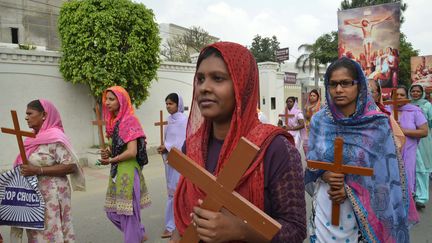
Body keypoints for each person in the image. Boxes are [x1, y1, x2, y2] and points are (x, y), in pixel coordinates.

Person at [170, 42, 306, 243]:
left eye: (218, 78)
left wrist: (242, 230)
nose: (204, 88)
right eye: (200, 79)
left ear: (241, 85)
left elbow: (296, 230)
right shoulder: (192, 147)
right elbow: (186, 215)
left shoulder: (275, 148)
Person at [305, 58, 418, 243]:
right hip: (326, 204)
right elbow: (312, 162)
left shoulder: (377, 124)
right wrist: (325, 174)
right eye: (333, 84)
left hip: (364, 212)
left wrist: (350, 190)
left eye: (346, 83)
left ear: (359, 85)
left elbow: (386, 176)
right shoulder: (320, 121)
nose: (339, 90)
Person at [10, 99, 85, 242]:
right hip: (33, 195)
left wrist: (38, 170)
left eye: (30, 113)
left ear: (44, 114)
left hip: (53, 195)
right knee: (36, 232)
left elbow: (71, 166)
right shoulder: (32, 139)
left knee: (52, 231)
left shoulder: (55, 137)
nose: (26, 117)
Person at [99, 86, 151, 243]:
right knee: (112, 212)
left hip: (127, 172)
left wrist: (111, 160)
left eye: (111, 99)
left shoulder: (129, 120)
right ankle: (139, 233)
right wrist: (108, 152)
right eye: (106, 99)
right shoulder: (114, 122)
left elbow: (131, 152)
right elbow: (116, 147)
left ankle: (136, 235)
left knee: (127, 215)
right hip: (116, 172)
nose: (107, 102)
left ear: (121, 101)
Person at [157, 93, 188, 238]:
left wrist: (167, 147)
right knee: (171, 192)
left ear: (178, 105)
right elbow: (168, 139)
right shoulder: (169, 120)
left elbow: (183, 141)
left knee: (179, 192)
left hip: (180, 161)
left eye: (171, 104)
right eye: (167, 104)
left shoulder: (184, 120)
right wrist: (164, 148)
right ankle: (171, 224)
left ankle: (175, 225)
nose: (168, 106)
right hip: (170, 161)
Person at [391, 85, 428, 196]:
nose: (399, 97)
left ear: (407, 97)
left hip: (408, 152)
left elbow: (424, 132)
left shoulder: (414, 111)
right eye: (396, 94)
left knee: (406, 181)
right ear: (391, 96)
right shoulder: (386, 110)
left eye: (402, 95)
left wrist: (402, 131)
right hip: (390, 152)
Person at [409, 84, 432, 209]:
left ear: (422, 93)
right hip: (411, 139)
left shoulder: (427, 105)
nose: (415, 93)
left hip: (424, 140)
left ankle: (422, 197)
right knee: (412, 166)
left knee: (422, 168)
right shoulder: (406, 105)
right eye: (413, 91)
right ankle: (413, 193)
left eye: (418, 91)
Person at [368, 78, 406, 150]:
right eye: (363, 91)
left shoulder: (383, 115)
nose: (367, 95)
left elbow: (394, 144)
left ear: (378, 96)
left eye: (371, 91)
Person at [303, 89, 321, 154]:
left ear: (317, 97)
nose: (312, 97)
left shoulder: (321, 106)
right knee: (306, 145)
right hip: (308, 128)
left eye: (314, 96)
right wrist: (309, 110)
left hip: (318, 128)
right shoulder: (306, 106)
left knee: (317, 145)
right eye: (311, 95)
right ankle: (308, 159)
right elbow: (306, 117)